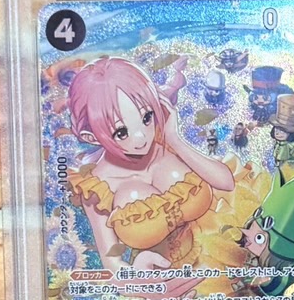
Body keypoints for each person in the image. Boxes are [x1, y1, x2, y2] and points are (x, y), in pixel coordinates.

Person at [64, 56, 234, 273]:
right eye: (121, 132)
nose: (141, 137)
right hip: (163, 281)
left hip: (223, 255)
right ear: (92, 137)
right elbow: (112, 264)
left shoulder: (164, 139)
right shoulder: (98, 188)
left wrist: (175, 140)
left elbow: (226, 182)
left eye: (146, 118)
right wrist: (138, 271)